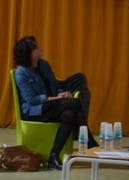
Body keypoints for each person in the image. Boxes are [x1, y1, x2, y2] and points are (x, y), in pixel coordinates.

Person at [13, 36, 98, 169]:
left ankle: (54, 156)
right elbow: (32, 100)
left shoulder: (43, 65)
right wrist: (57, 99)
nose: (40, 49)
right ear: (29, 53)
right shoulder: (21, 73)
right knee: (73, 104)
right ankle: (90, 144)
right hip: (35, 110)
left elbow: (53, 84)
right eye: (36, 48)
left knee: (69, 114)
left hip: (52, 104)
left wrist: (60, 93)